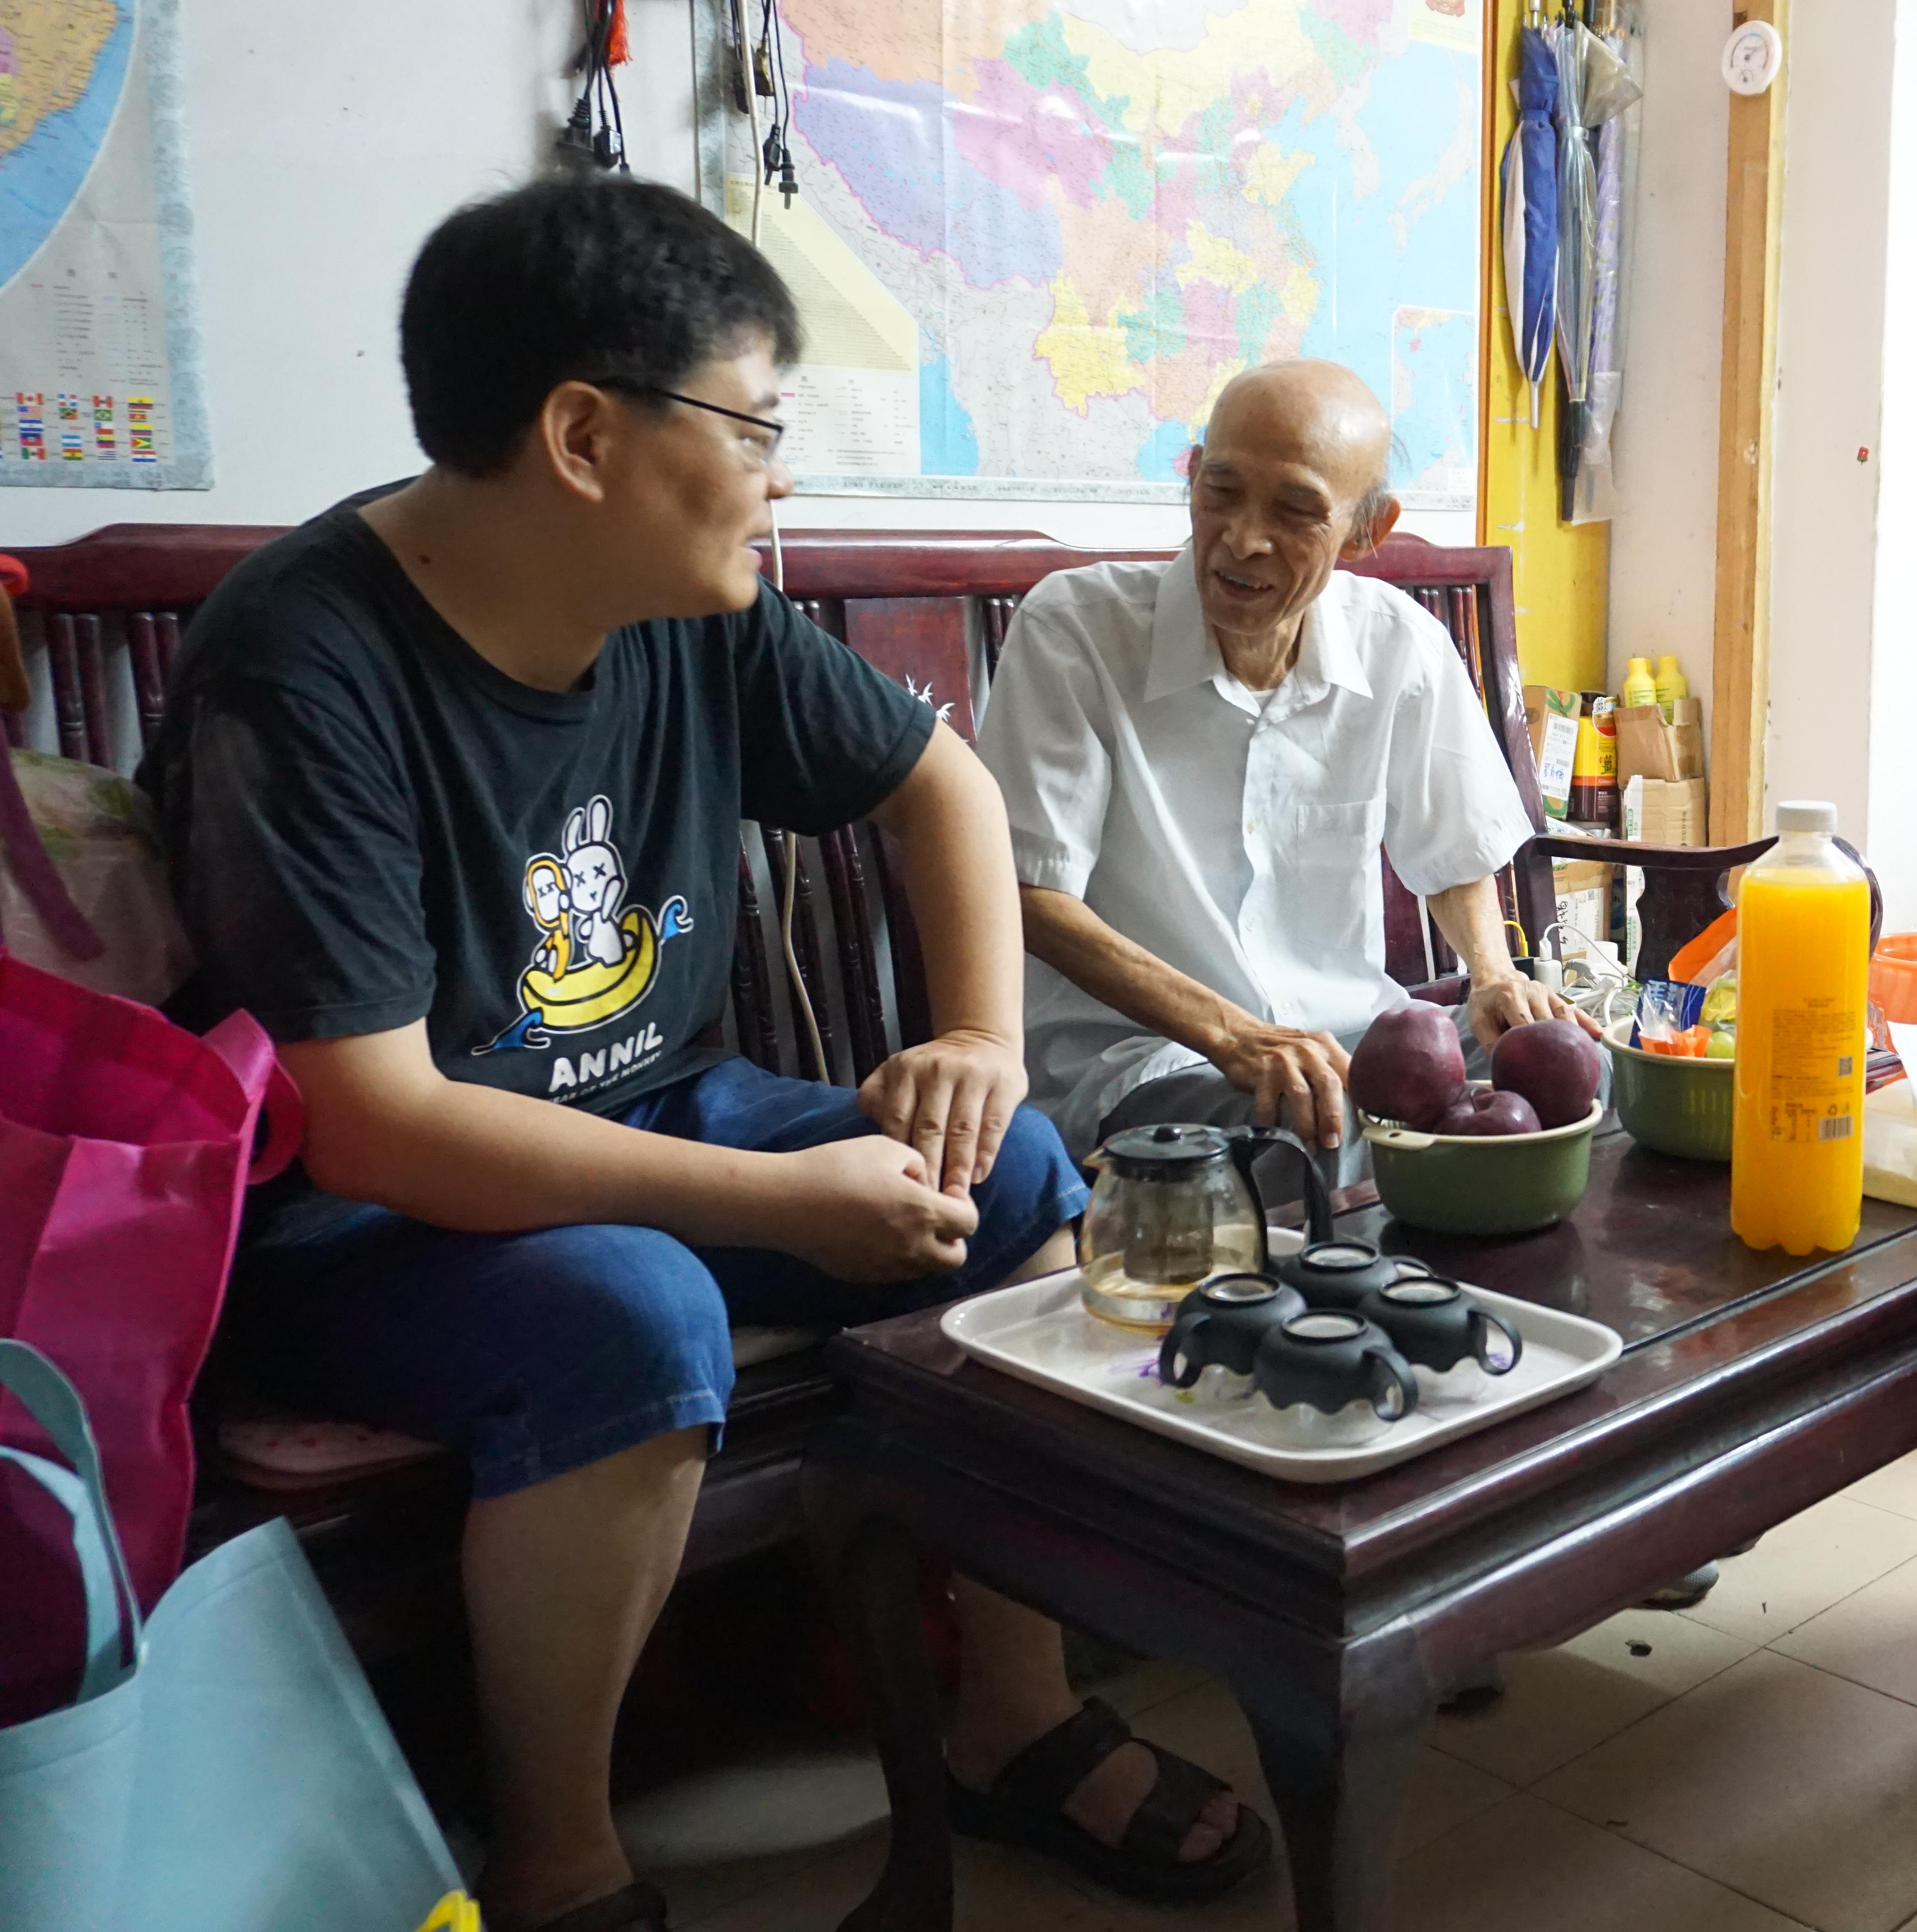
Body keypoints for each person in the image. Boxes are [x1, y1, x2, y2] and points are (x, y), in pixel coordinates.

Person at [143, 177, 1266, 1932]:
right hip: (354, 1216)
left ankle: (1012, 1715)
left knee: (1015, 1173)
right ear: (585, 437)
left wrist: (978, 1042)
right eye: (753, 427)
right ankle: (560, 1866)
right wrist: (781, 1201)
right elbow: (369, 1125)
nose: (779, 478)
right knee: (634, 1313)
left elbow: (943, 786)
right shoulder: (301, 667)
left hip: (646, 1108)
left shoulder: (690, 604)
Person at [973, 358, 1591, 1178]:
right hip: (1151, 1062)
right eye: (1221, 491)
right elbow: (1030, 895)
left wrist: (1492, 975)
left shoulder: (1397, 643)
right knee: (1319, 1139)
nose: (1242, 539)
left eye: (1296, 510)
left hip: (1353, 1046)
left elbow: (1455, 851)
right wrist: (1233, 1034)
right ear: (1192, 477)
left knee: (1578, 1079)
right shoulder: (1077, 632)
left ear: (1366, 529)